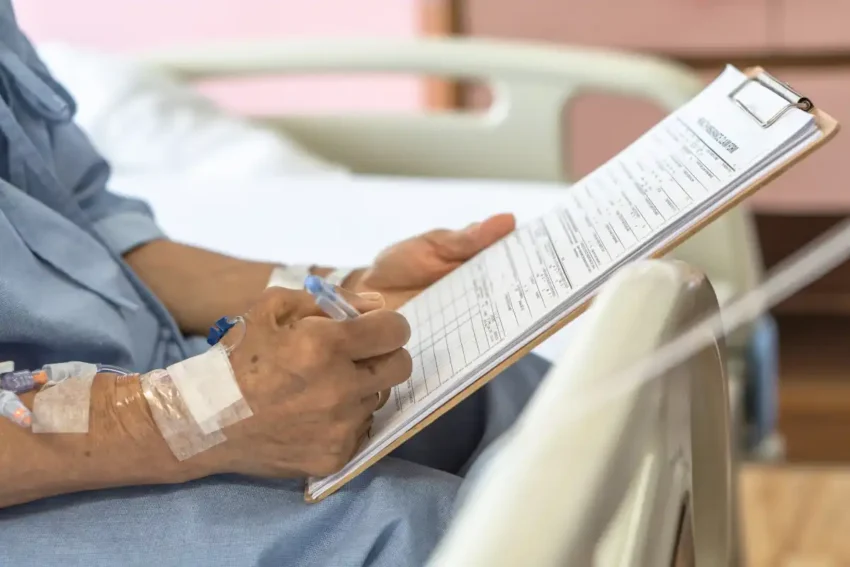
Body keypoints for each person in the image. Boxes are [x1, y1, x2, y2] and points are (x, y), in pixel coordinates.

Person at [0, 2, 549, 565]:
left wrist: (344, 290)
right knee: (422, 529)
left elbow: (90, 236)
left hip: (133, 375)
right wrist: (189, 413)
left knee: (500, 387)